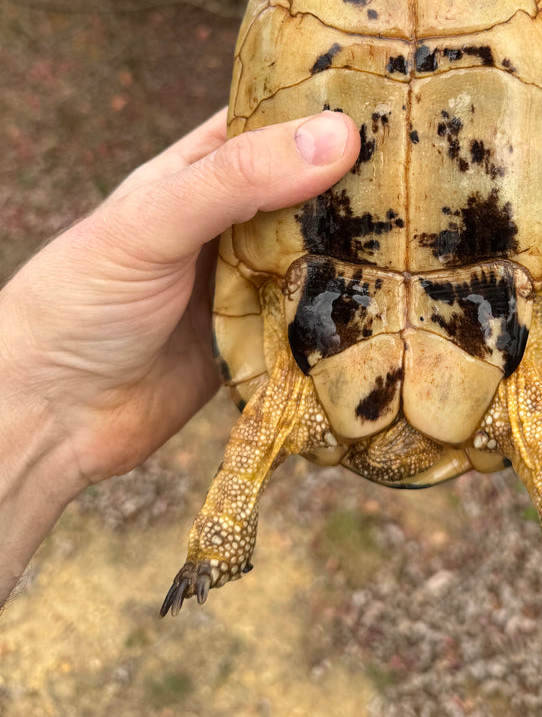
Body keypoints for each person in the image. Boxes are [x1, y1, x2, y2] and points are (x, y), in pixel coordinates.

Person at [0, 109, 360, 607]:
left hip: (300, 300)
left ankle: (216, 548)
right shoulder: (295, 396)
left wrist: (42, 393)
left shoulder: (293, 397)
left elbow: (255, 441)